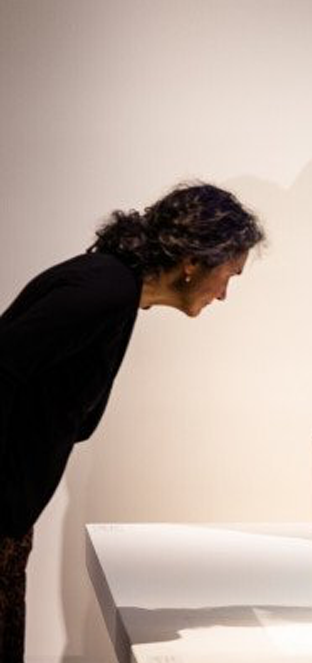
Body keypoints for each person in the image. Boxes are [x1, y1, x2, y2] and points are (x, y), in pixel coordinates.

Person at [0, 182, 264, 662]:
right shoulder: (104, 291)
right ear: (193, 261)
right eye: (229, 275)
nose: (224, 294)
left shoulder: (116, 290)